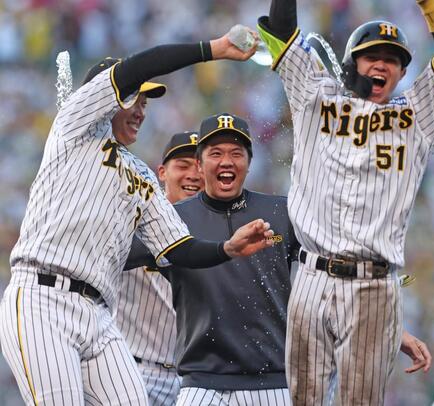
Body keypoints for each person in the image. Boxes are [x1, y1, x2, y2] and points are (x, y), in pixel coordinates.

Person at [0, 32, 276, 405]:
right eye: (135, 97)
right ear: (104, 96)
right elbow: (144, 63)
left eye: (146, 102)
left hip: (98, 316)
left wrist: (227, 248)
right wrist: (212, 50)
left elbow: (179, 248)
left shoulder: (142, 175)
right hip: (41, 298)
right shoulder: (74, 127)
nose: (142, 110)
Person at [256, 0, 434, 404]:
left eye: (392, 60)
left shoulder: (415, 116)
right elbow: (280, 32)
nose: (381, 65)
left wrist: (430, 4)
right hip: (311, 276)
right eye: (371, 56)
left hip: (375, 285)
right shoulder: (317, 96)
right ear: (351, 63)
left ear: (401, 72)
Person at [164, 113, 300, 405]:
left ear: (249, 164)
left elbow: (327, 265)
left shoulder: (282, 212)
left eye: (236, 153)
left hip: (273, 381)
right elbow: (114, 256)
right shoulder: (173, 220)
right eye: (216, 153)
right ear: (200, 166)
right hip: (201, 383)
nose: (226, 161)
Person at [115, 131, 204, 405]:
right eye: (183, 165)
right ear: (162, 172)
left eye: (200, 166)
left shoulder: (222, 229)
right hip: (136, 371)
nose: (193, 174)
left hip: (196, 381)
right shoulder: (134, 216)